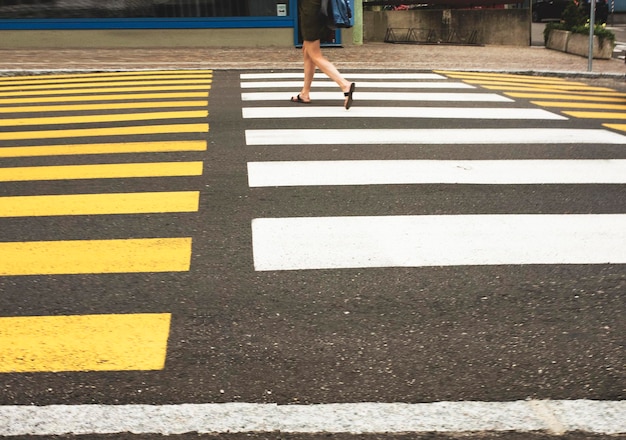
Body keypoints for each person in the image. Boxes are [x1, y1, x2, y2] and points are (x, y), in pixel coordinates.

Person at [291, 0, 355, 109]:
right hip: (319, 9)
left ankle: (344, 84)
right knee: (307, 50)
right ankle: (305, 93)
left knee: (314, 54)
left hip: (311, 9)